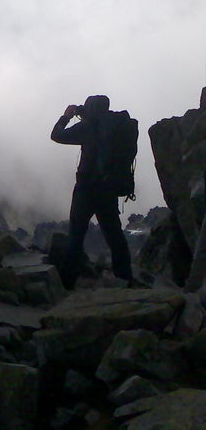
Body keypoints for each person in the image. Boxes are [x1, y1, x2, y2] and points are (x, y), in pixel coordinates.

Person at [51, 95, 133, 288]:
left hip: (86, 189)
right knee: (114, 235)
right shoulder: (116, 125)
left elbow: (56, 135)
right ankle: (125, 278)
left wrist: (66, 116)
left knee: (76, 234)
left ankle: (67, 283)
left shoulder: (87, 127)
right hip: (108, 189)